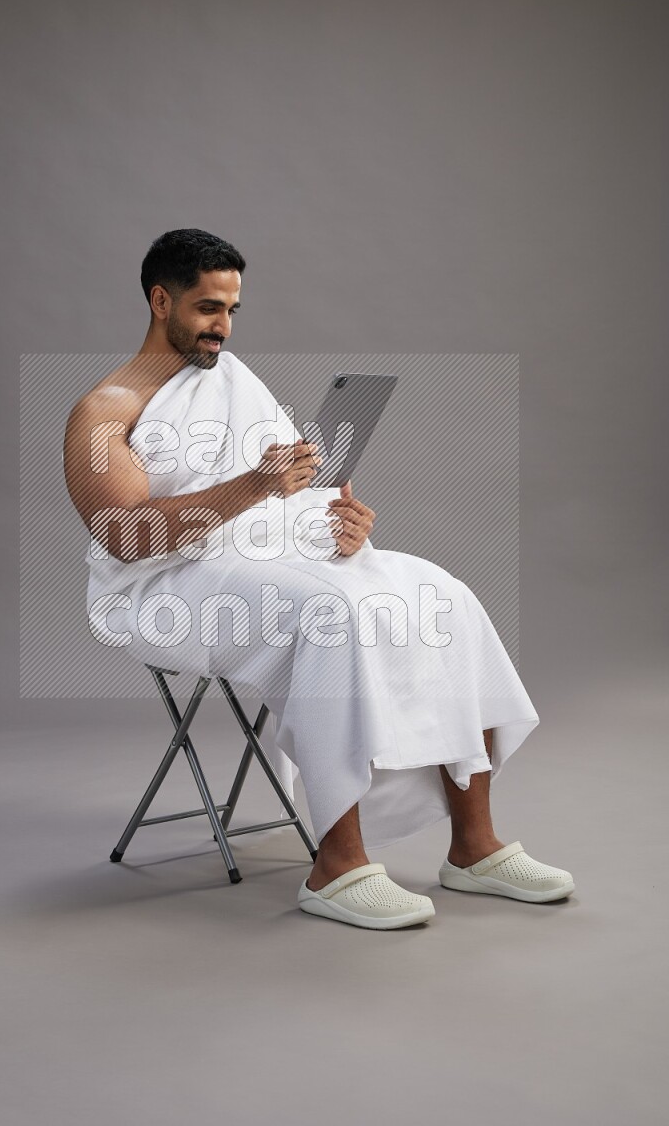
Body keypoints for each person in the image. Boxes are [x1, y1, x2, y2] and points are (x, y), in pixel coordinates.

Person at [63, 227, 575, 930]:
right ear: (160, 300)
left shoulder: (235, 383)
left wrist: (338, 522)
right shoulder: (102, 414)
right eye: (209, 309)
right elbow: (125, 536)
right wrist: (252, 487)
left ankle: (473, 846)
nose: (224, 328)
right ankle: (337, 865)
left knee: (444, 596)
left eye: (233, 310)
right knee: (330, 612)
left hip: (265, 558)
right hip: (167, 588)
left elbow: (292, 497)